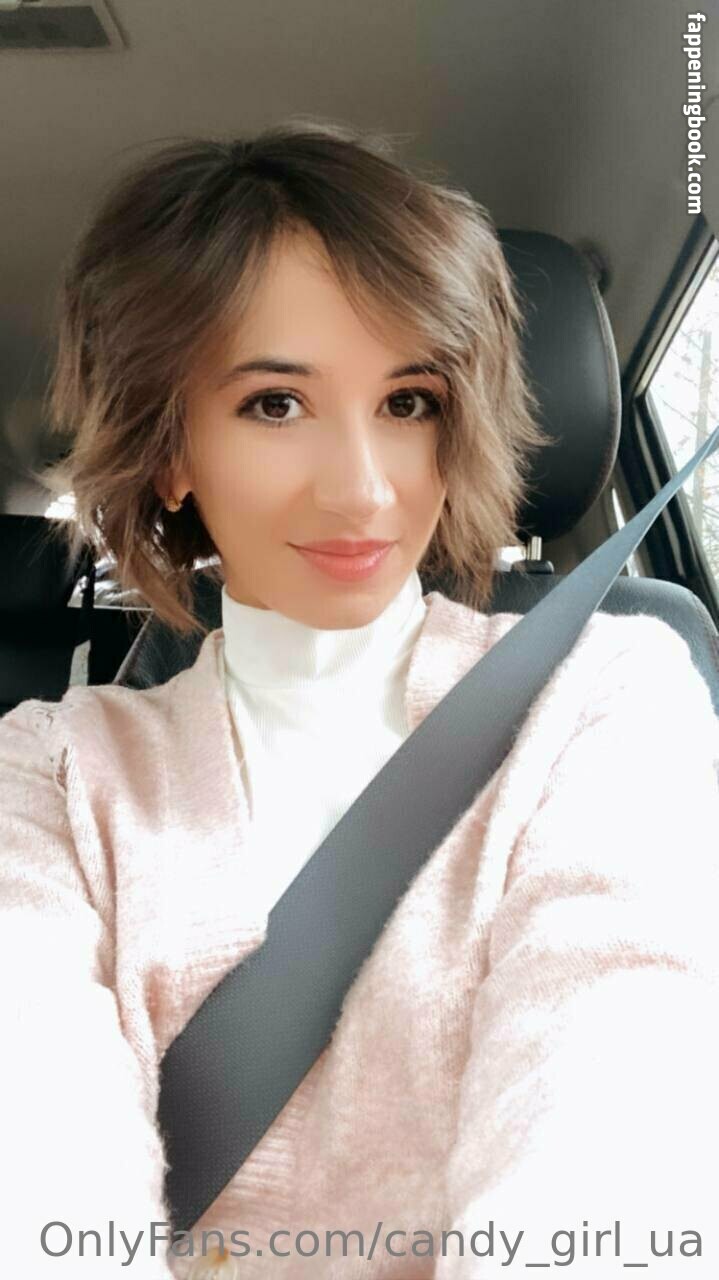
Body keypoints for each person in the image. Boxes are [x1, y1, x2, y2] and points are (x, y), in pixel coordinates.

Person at [1, 120, 717, 1280]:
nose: (364, 489)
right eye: (274, 405)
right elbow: (30, 1139)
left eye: (409, 401)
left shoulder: (603, 699)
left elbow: (616, 1076)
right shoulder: (46, 775)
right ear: (171, 450)